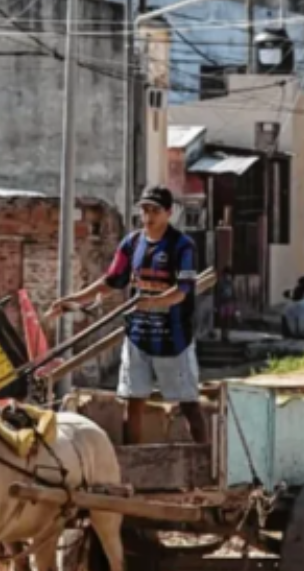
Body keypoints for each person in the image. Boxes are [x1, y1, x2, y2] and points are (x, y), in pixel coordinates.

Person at [46, 185, 207, 446]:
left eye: (155, 210)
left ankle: (203, 462)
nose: (148, 216)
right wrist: (71, 301)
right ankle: (134, 463)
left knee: (189, 404)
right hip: (137, 337)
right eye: (144, 209)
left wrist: (154, 302)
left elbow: (184, 290)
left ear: (169, 212)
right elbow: (110, 282)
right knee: (133, 403)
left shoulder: (182, 246)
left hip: (173, 340)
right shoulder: (132, 244)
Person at [216, 266, 236, 343]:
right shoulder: (221, 283)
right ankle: (223, 336)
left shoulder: (231, 283)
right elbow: (218, 293)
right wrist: (217, 304)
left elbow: (233, 293)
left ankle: (226, 336)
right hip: (222, 303)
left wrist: (235, 304)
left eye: (229, 274)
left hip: (229, 303)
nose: (228, 276)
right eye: (226, 274)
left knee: (228, 320)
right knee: (223, 321)